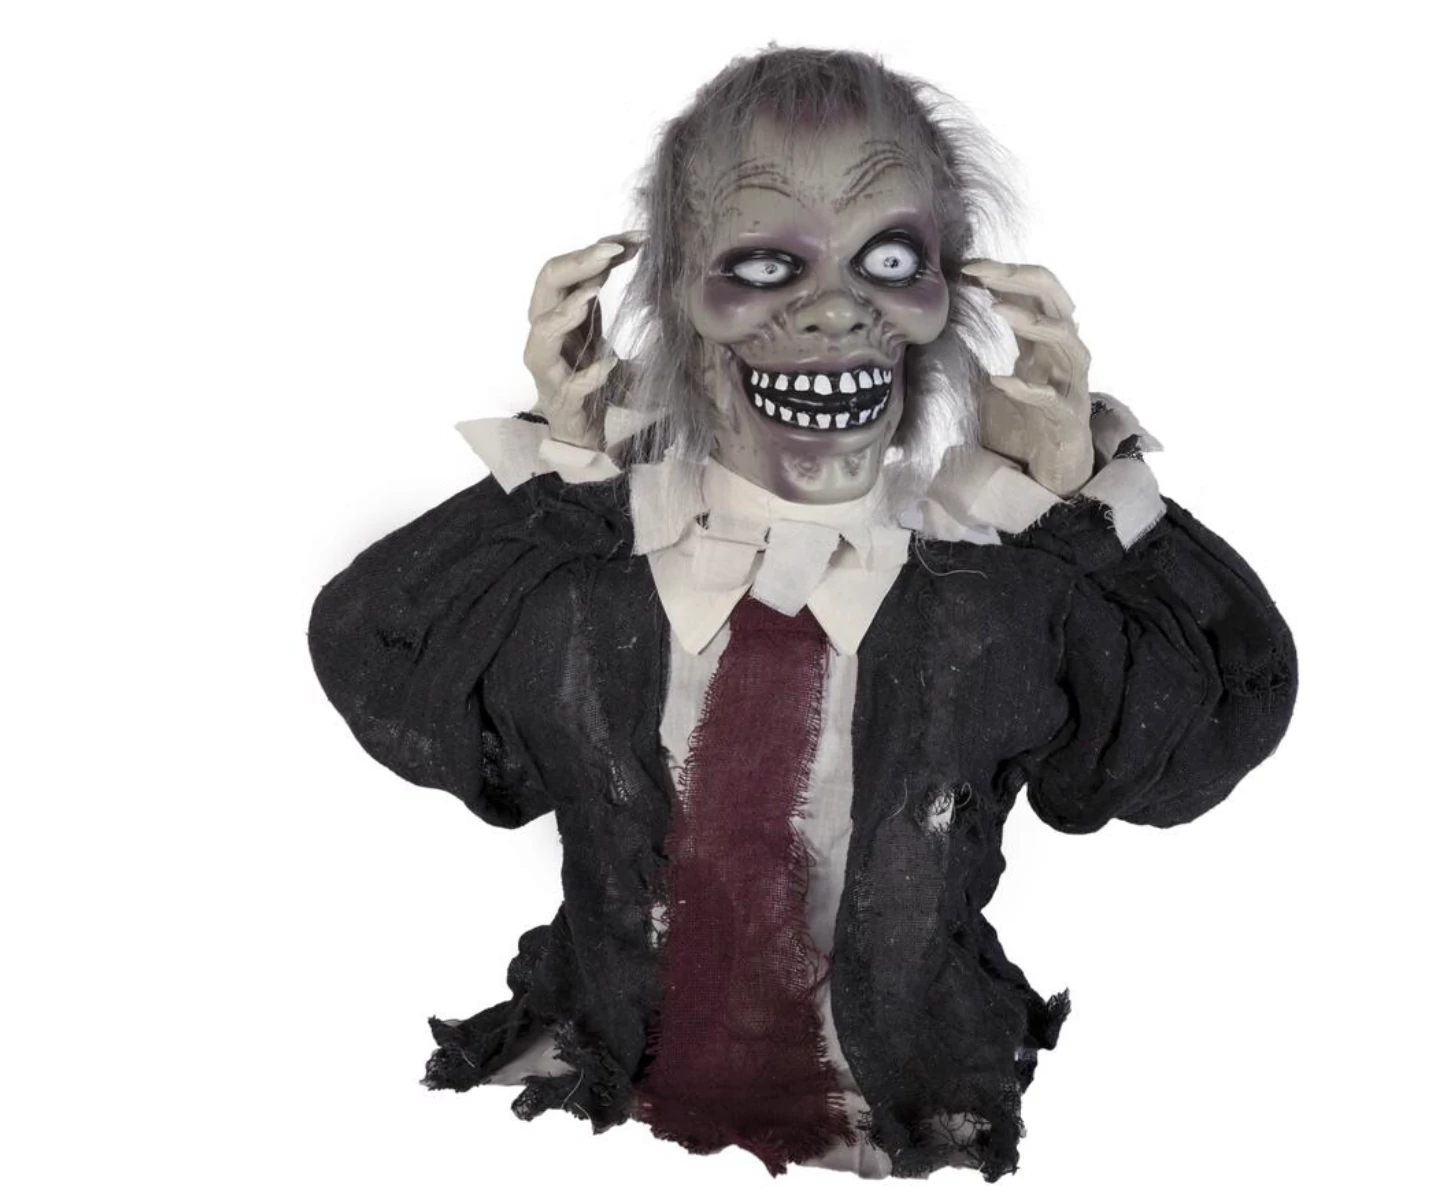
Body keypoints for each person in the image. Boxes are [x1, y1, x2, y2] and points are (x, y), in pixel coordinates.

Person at [308, 46, 1298, 1181]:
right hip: (599, 1132)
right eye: (765, 265)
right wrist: (563, 474)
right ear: (678, 297)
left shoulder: (994, 599)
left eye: (890, 260)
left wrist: (1072, 499)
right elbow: (378, 657)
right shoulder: (584, 585)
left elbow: (1199, 735)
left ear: (947, 292)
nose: (834, 312)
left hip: (910, 1098)